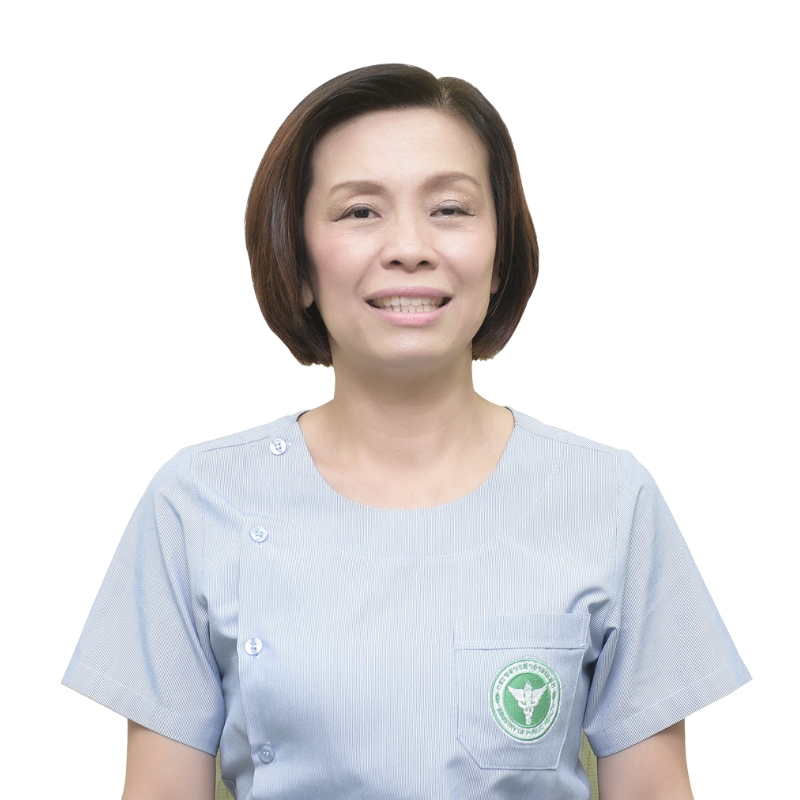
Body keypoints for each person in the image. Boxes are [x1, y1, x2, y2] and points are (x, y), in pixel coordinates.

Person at [63, 64, 750, 800]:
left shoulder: (610, 499)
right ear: (297, 261)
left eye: (450, 208)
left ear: (500, 257)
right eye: (360, 212)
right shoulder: (196, 504)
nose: (409, 246)